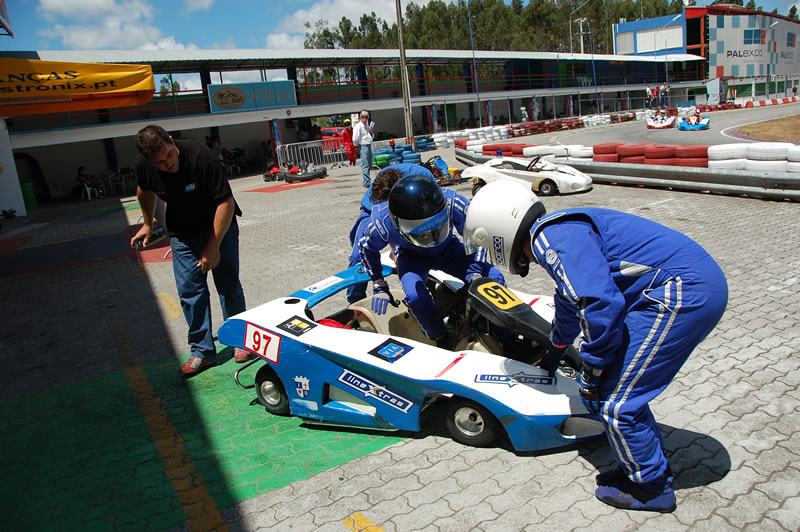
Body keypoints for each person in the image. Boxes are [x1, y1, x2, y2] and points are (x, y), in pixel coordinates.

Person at [463, 180, 728, 513]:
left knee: (617, 402)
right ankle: (639, 463)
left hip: (682, 293)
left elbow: (599, 306)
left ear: (499, 233)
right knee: (621, 388)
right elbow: (569, 303)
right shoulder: (555, 232)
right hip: (682, 286)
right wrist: (555, 350)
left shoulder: (550, 239)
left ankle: (651, 489)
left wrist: (592, 368)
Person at [130, 124, 250, 375]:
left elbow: (225, 202)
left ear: (172, 141)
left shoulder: (199, 155)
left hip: (220, 226)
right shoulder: (144, 166)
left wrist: (213, 246)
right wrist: (148, 223)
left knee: (228, 285)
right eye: (160, 162)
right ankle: (202, 351)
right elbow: (144, 191)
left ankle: (240, 340)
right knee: (189, 290)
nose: (167, 163)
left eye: (169, 155)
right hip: (183, 234)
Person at [358, 174, 505, 348]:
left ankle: (503, 333)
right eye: (422, 233)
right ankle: (440, 337)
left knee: (494, 278)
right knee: (414, 297)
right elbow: (365, 248)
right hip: (412, 257)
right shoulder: (381, 224)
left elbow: (479, 229)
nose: (429, 238)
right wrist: (379, 285)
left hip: (449, 249)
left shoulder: (453, 202)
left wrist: (475, 271)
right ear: (397, 223)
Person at [347, 163, 434, 304]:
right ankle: (355, 300)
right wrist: (395, 251)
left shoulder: (425, 182)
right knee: (358, 256)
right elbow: (387, 227)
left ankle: (421, 295)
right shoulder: (381, 191)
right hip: (371, 211)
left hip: (408, 208)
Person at [352, 110, 375, 188]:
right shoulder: (358, 126)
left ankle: (367, 180)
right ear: (360, 118)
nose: (364, 119)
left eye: (366, 117)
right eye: (363, 117)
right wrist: (357, 145)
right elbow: (355, 138)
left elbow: (370, 137)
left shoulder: (367, 126)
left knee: (369, 164)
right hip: (363, 146)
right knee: (365, 165)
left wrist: (371, 132)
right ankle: (366, 182)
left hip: (368, 145)